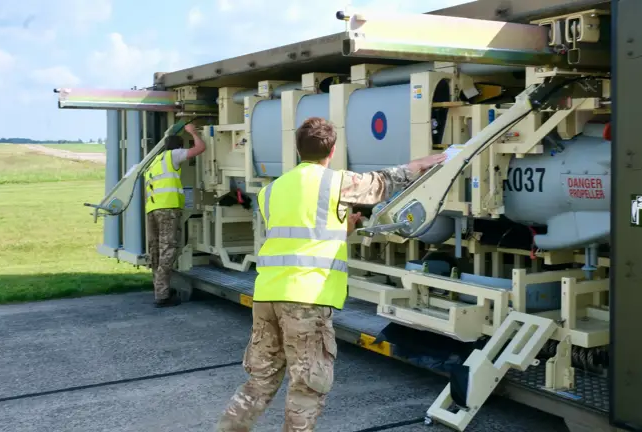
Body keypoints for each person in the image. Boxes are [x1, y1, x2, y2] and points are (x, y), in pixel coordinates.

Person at [216, 117, 446, 431]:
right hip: (306, 298)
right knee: (307, 386)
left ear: (297, 150)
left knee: (260, 381)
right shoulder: (334, 182)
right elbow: (382, 182)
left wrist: (343, 227)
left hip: (267, 294)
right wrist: (424, 163)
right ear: (333, 150)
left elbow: (301, 232)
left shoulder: (270, 191)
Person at [144, 123, 207, 308]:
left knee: (155, 251)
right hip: (168, 210)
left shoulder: (154, 162)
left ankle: (159, 288)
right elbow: (200, 148)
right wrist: (193, 132)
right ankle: (162, 295)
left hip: (152, 210)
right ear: (178, 147)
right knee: (168, 250)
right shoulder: (173, 155)